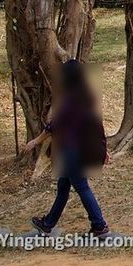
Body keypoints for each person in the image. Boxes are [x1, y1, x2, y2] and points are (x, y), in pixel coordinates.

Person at [26, 59, 110, 237]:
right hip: (79, 149)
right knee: (63, 188)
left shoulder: (70, 100)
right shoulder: (87, 97)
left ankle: (99, 225)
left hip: (71, 151)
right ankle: (47, 224)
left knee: (81, 187)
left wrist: (36, 141)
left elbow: (55, 125)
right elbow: (95, 126)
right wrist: (103, 148)